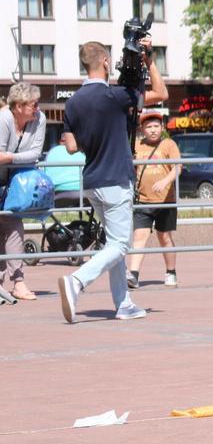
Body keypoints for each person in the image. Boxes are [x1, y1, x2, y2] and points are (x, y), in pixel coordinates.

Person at [56, 39, 168, 323]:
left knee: (112, 243)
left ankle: (123, 303)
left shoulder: (72, 102)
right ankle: (77, 282)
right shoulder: (115, 96)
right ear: (106, 62)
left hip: (92, 180)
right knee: (119, 245)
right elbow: (161, 92)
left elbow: (70, 145)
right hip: (115, 178)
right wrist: (149, 60)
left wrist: (95, 135)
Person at [0, 82, 46, 302]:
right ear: (18, 106)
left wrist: (10, 158)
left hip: (18, 183)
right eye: (33, 104)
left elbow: (35, 154)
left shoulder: (40, 119)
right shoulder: (3, 119)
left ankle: (18, 281)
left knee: (15, 227)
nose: (37, 108)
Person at [126, 109, 181, 289]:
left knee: (164, 236)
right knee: (139, 236)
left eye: (156, 126)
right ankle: (133, 274)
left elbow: (177, 168)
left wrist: (165, 180)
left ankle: (171, 272)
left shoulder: (168, 144)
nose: (153, 130)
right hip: (143, 200)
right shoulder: (137, 145)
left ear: (162, 127)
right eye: (149, 126)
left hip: (165, 200)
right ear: (142, 129)